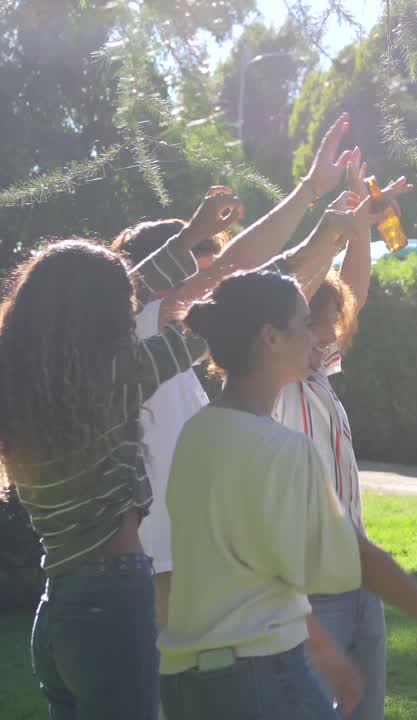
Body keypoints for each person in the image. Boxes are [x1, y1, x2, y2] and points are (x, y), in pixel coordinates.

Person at [159, 196, 417, 720]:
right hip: (260, 680)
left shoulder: (196, 433)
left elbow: (253, 574)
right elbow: (356, 558)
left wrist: (323, 651)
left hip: (189, 686)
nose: (317, 335)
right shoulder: (283, 448)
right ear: (270, 337)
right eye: (305, 323)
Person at [111, 113, 360, 634]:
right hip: (152, 578)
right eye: (198, 274)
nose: (210, 292)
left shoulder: (164, 356)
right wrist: (310, 193)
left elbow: (272, 287)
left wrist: (328, 240)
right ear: (157, 275)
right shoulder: (136, 330)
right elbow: (247, 270)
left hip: (177, 573)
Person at [0, 190, 241, 719]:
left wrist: (191, 234)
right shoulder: (115, 378)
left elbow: (132, 292)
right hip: (111, 603)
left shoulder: (22, 381)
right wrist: (315, 214)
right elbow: (230, 317)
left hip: (59, 607)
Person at [272, 160, 407, 720]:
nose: (332, 335)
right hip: (310, 591)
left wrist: (360, 230)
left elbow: (352, 295)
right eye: (319, 327)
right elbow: (297, 285)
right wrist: (337, 225)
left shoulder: (318, 376)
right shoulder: (275, 384)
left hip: (358, 583)